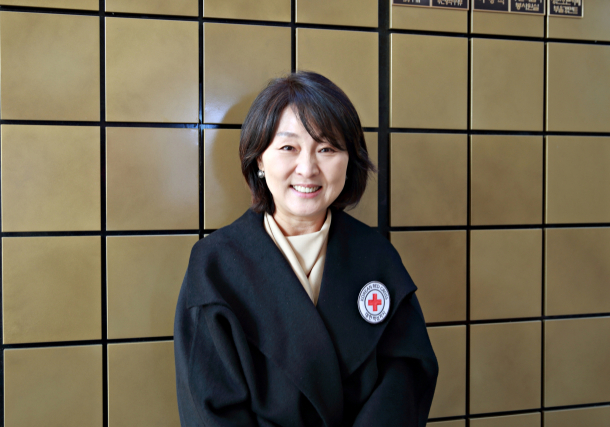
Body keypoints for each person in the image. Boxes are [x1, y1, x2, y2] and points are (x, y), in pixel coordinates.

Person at [174, 71, 438, 426]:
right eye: (289, 148)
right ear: (259, 159)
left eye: (327, 149)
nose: (308, 168)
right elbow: (210, 406)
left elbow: (407, 373)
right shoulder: (215, 266)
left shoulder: (376, 256)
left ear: (349, 160)